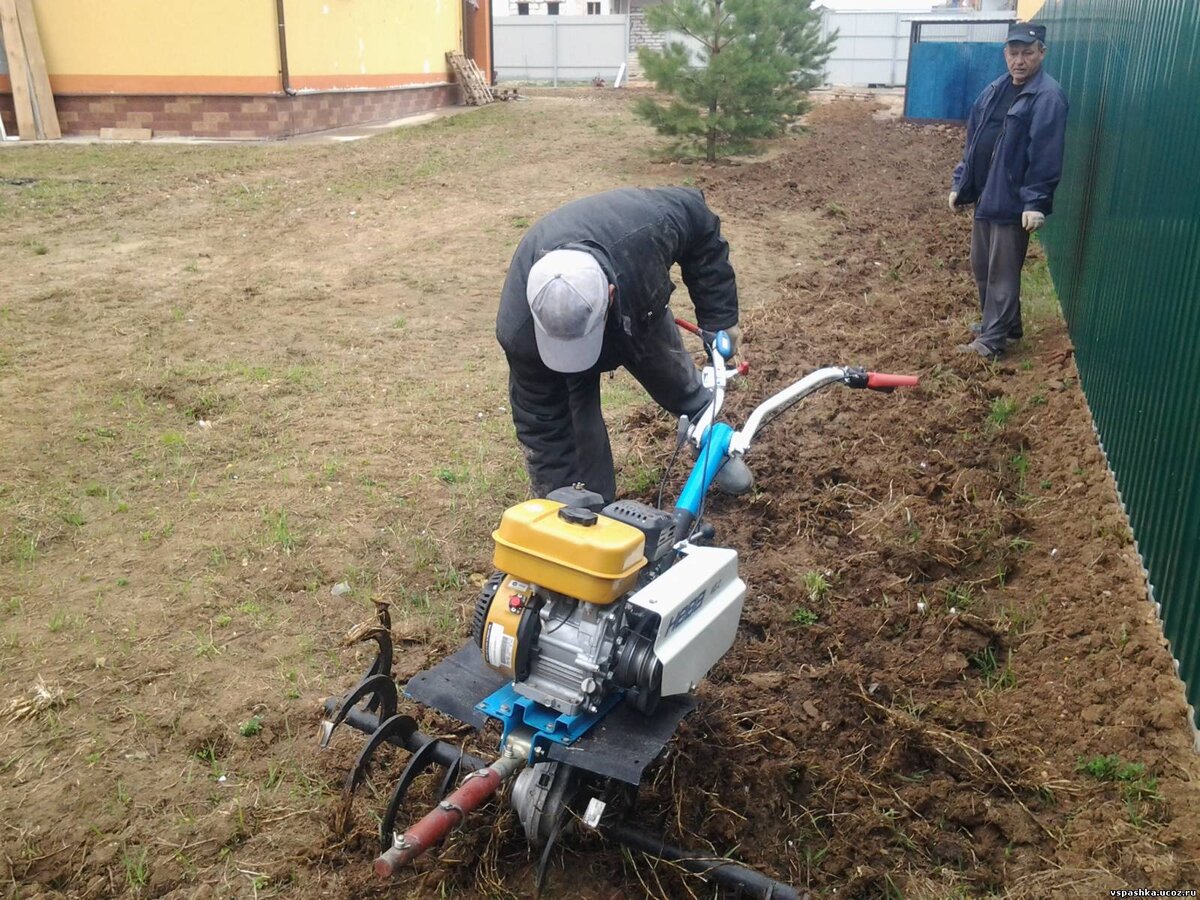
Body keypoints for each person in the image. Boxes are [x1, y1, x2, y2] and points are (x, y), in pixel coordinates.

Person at [496, 187, 741, 504]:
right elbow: (543, 428)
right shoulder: (520, 332)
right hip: (552, 348)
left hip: (639, 311)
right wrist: (559, 505)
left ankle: (712, 446)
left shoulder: (648, 226)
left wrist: (720, 320)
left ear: (610, 294)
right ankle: (591, 504)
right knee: (576, 430)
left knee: (682, 388)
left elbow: (701, 226)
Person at [949, 22, 1069, 360]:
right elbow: (973, 143)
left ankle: (992, 341)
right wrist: (961, 182)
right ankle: (1004, 324)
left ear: (1041, 53)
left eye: (1027, 53)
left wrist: (1036, 202)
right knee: (982, 265)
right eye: (1014, 53)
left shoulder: (1047, 97)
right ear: (1005, 54)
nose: (1019, 60)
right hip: (987, 194)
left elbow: (1046, 153)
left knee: (1002, 271)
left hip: (1013, 200)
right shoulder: (995, 90)